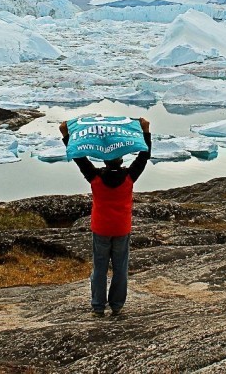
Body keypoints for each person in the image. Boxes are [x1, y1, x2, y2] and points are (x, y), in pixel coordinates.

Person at [59, 117, 152, 317]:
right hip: (121, 229)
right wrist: (146, 130)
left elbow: (79, 158)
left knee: (99, 268)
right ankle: (117, 306)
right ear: (120, 159)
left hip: (101, 228)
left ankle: (98, 307)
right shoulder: (129, 178)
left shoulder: (95, 178)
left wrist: (66, 135)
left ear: (105, 161)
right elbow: (144, 156)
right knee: (120, 268)